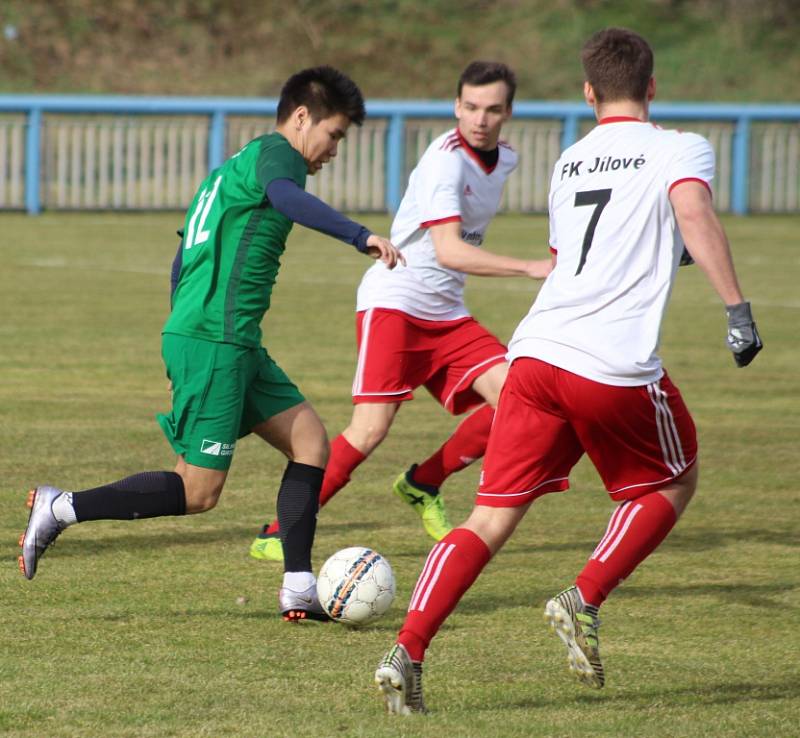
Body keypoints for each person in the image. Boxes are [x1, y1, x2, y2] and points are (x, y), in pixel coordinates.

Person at [374, 28, 763, 714]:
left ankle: (407, 649)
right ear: (652, 87)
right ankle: (583, 596)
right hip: (610, 363)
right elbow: (693, 210)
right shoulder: (679, 147)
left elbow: (586, 253)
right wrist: (737, 308)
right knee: (673, 480)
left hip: (535, 354)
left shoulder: (570, 161)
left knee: (489, 519)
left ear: (588, 94)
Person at [18, 66, 403, 622]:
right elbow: (286, 197)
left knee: (311, 443)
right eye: (334, 134)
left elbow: (182, 261)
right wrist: (359, 235)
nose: (333, 150)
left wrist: (189, 326)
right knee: (197, 490)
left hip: (229, 339)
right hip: (215, 340)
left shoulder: (230, 170)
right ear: (301, 117)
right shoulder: (278, 158)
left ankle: (298, 586)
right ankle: (62, 507)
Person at [248, 61, 552, 564]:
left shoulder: (508, 160)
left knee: (521, 401)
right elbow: (450, 251)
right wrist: (529, 268)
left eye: (492, 109)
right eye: (471, 107)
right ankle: (280, 530)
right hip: (397, 301)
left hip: (447, 311)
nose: (480, 119)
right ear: (457, 106)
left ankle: (423, 481)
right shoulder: (444, 162)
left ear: (508, 112)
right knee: (369, 428)